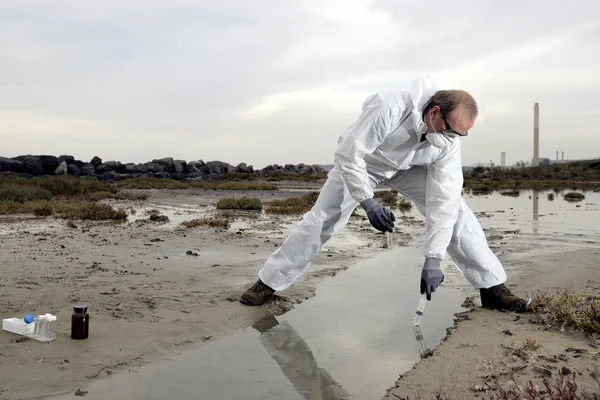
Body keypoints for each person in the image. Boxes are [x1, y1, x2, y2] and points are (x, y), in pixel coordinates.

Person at [240, 75, 529, 312]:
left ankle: (492, 289)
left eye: (459, 135)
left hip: (409, 168)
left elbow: (445, 201)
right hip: (363, 164)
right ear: (434, 112)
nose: (452, 138)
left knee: (458, 215)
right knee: (323, 219)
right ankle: (267, 284)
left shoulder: (448, 142)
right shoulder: (389, 107)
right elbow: (349, 154)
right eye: (450, 130)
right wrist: (367, 201)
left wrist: (433, 258)